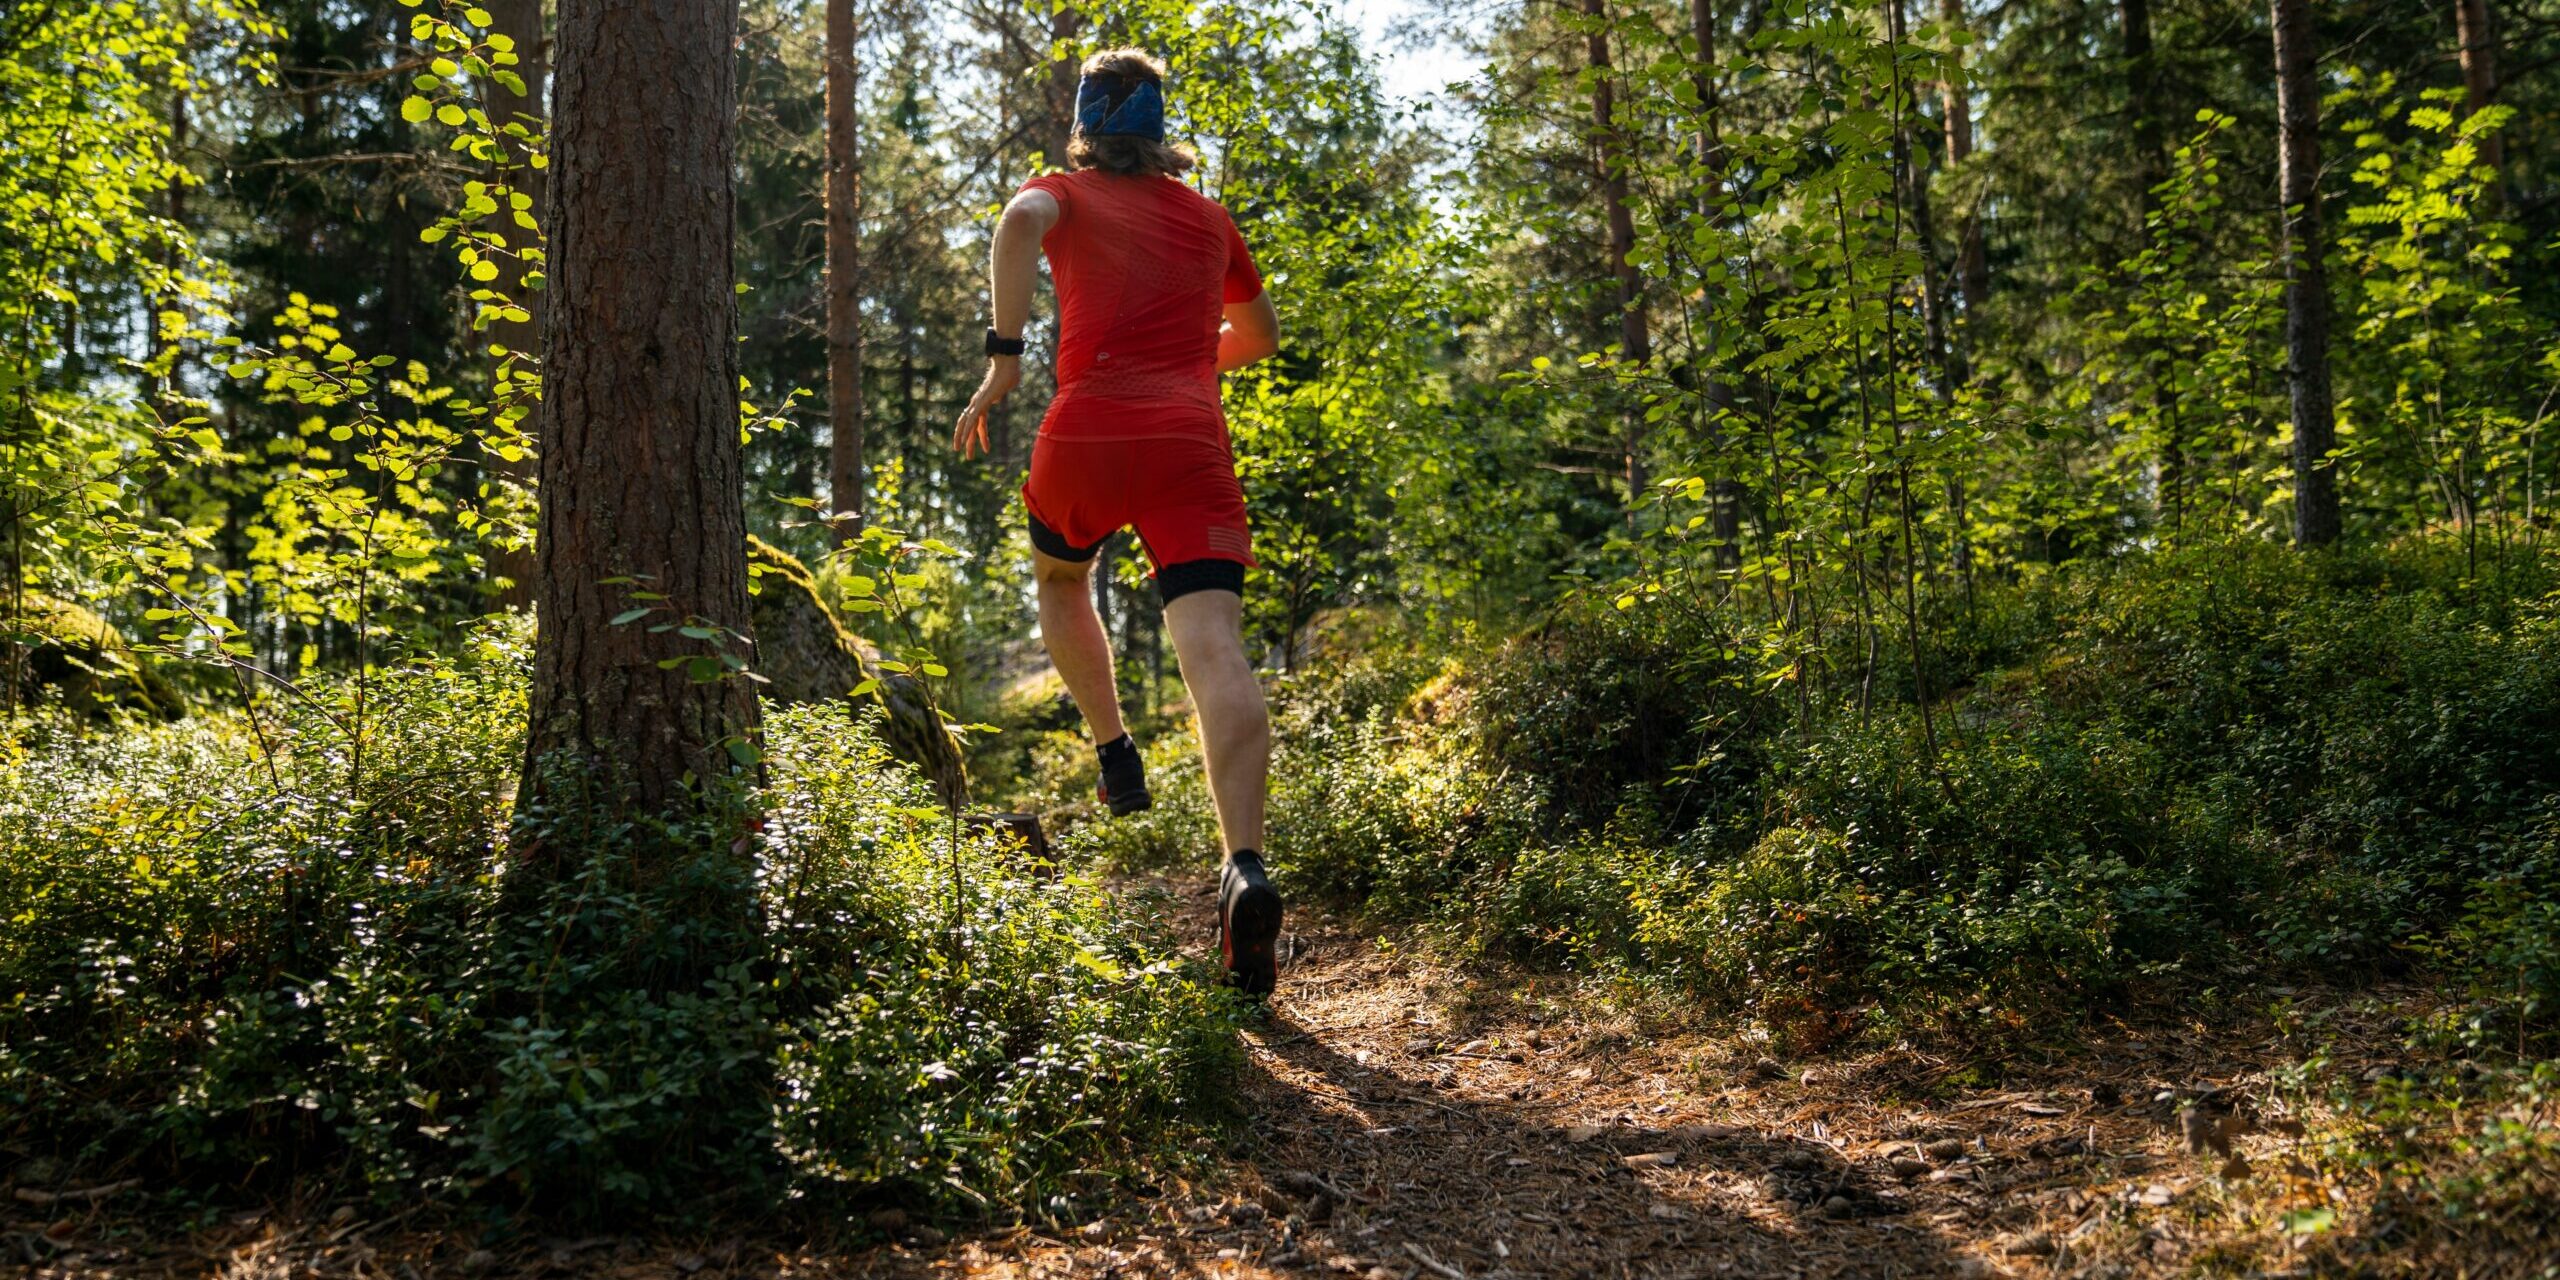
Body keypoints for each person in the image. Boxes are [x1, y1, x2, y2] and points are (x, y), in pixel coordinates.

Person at [950, 48, 1286, 997]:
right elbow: (1259, 337)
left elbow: (1019, 220)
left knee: (1062, 580)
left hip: (1086, 428)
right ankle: (1246, 867)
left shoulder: (1062, 189)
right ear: (1158, 130)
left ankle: (1114, 749)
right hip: (1190, 442)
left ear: (1088, 126)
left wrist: (1006, 358)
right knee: (1214, 645)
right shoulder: (1211, 218)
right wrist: (1185, 368)